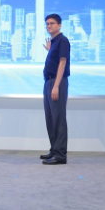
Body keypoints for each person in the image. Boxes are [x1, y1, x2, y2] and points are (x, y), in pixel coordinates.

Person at [40, 14, 71, 165]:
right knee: (50, 118)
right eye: (47, 24)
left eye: (52, 23)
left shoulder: (62, 40)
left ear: (59, 25)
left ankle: (60, 155)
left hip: (56, 82)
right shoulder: (54, 42)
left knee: (58, 119)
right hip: (48, 82)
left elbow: (62, 63)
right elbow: (55, 60)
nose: (49, 26)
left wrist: (56, 86)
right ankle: (54, 149)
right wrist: (50, 50)